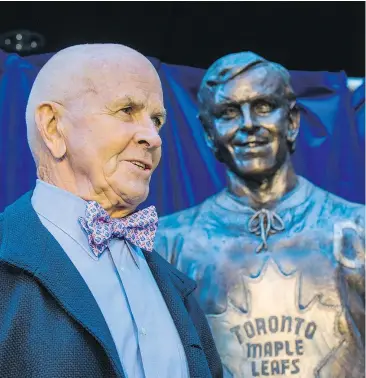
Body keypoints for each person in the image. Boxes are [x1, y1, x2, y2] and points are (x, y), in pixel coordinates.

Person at [0, 44, 222, 378]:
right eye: (126, 110)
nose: (153, 137)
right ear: (53, 126)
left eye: (157, 120)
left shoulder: (178, 290)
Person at [154, 52, 365, 378]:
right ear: (210, 134)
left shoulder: (358, 229)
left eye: (263, 107)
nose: (248, 125)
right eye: (228, 112)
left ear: (292, 122)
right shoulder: (167, 244)